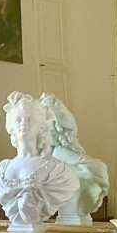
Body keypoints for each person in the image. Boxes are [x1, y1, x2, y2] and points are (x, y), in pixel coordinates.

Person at [0, 91, 80, 233]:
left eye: (30, 119)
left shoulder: (60, 172)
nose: (23, 123)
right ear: (11, 126)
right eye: (18, 119)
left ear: (41, 126)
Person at [40, 93, 110, 225]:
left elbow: (90, 164)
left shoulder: (61, 152)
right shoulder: (54, 153)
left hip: (71, 175)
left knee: (96, 168)